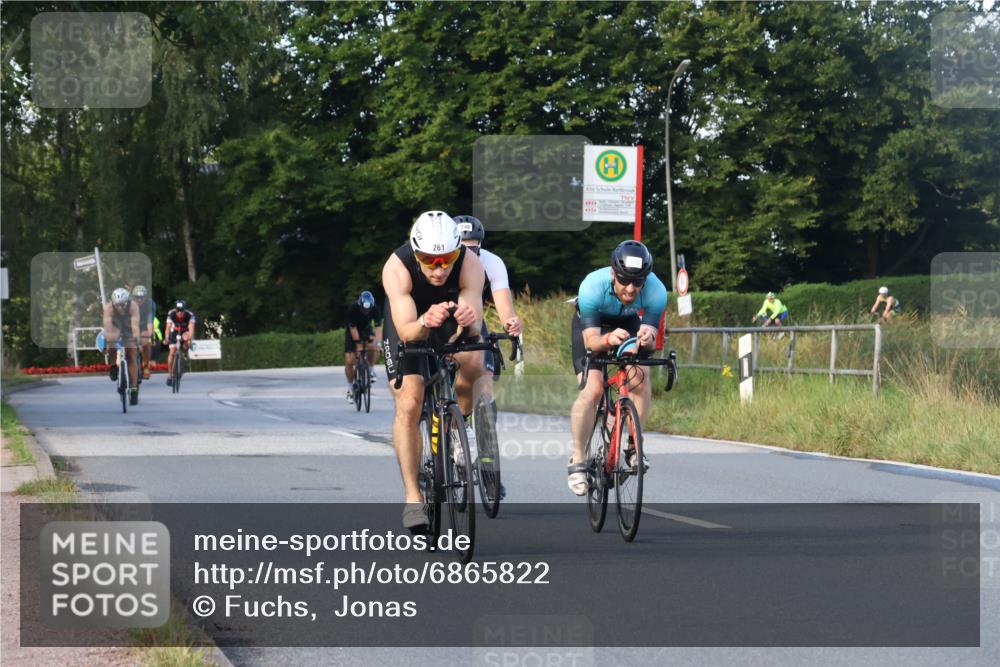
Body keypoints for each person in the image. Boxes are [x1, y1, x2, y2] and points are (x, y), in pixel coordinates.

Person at [381, 211, 485, 531]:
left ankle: (459, 427)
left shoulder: (470, 264)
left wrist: (467, 325)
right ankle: (413, 498)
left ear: (458, 252)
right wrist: (426, 319)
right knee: (410, 400)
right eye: (429, 260)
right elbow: (409, 331)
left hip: (448, 315)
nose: (439, 269)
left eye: (447, 259)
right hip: (411, 323)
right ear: (416, 252)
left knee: (474, 361)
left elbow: (475, 328)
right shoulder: (397, 268)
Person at [567, 240, 668, 495]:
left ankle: (634, 445)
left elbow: (651, 334)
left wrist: (646, 337)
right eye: (625, 280)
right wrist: (607, 340)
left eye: (638, 282)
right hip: (592, 326)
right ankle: (578, 460)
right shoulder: (592, 286)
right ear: (614, 273)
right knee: (594, 389)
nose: (631, 288)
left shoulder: (656, 290)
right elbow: (592, 342)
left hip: (629, 322)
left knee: (641, 376)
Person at [454, 214, 523, 501]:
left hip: (472, 320)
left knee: (484, 384)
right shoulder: (441, 259)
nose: (470, 253)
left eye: (475, 248)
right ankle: (445, 439)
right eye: (464, 248)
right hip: (438, 317)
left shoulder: (492, 262)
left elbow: (503, 302)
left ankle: (488, 467)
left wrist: (511, 321)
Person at [102, 287, 141, 405]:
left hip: (129, 326)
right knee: (111, 341)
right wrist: (107, 341)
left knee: (131, 356)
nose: (120, 308)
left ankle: (134, 389)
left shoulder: (133, 306)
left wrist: (136, 339)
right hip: (115, 325)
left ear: (127, 302)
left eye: (122, 305)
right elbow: (107, 326)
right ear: (113, 303)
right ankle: (114, 365)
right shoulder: (108, 308)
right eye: (117, 305)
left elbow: (135, 325)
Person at [344, 290, 384, 401]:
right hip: (352, 331)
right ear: (360, 305)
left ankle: (370, 370)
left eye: (368, 310)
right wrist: (358, 344)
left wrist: (378, 343)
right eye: (364, 309)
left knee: (373, 346)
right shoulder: (352, 309)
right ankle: (350, 388)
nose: (366, 312)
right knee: (350, 360)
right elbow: (352, 328)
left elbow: (378, 328)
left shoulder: (375, 309)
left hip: (366, 329)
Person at [165, 300, 197, 386]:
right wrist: (166, 337)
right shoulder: (171, 314)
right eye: (177, 310)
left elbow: (191, 328)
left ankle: (185, 353)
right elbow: (168, 327)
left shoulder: (189, 315)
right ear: (175, 310)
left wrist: (189, 339)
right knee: (172, 352)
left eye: (181, 310)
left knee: (187, 341)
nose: (179, 313)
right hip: (174, 331)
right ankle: (169, 375)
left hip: (185, 331)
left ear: (184, 310)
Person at [131, 285, 156, 379]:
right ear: (134, 297)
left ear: (145, 297)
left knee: (146, 343)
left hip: (145, 324)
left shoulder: (150, 304)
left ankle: (146, 366)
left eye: (142, 298)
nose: (140, 300)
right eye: (137, 297)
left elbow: (150, 322)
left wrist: (149, 336)